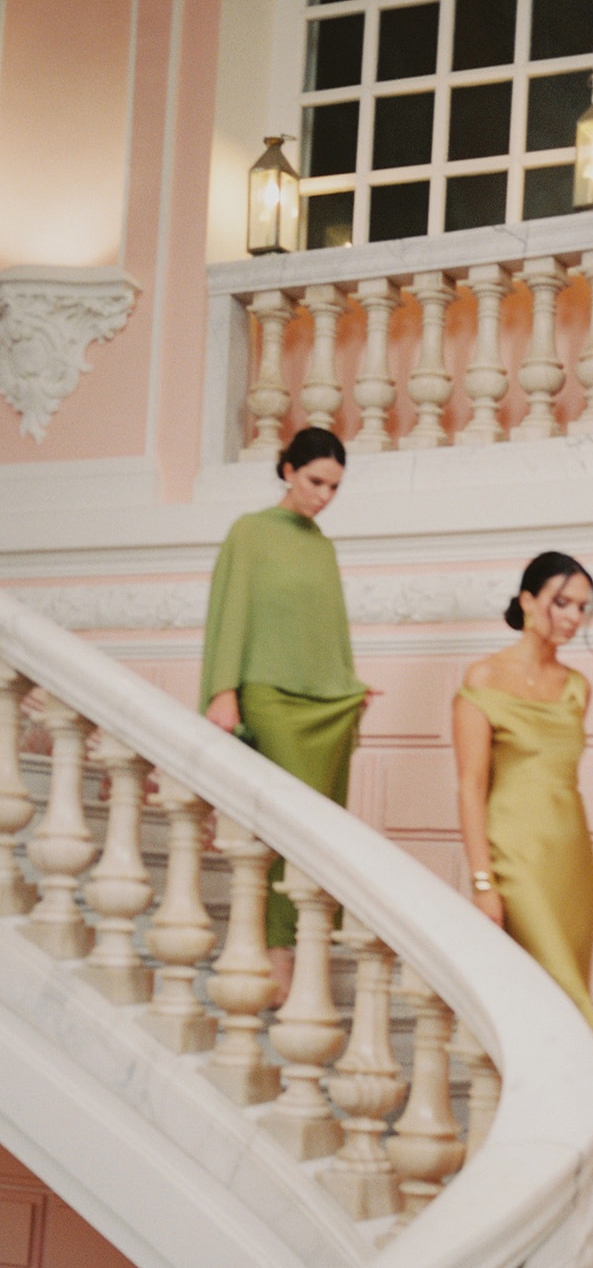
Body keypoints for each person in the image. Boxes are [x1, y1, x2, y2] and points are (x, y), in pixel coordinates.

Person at [200, 427, 368, 1005]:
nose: (324, 495)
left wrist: (349, 687)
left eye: (334, 487)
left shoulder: (322, 547)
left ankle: (295, 953)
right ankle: (275, 958)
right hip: (268, 696)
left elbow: (330, 629)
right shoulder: (249, 533)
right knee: (282, 829)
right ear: (288, 470)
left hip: (323, 705)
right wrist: (224, 689)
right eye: (316, 481)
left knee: (317, 834)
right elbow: (232, 608)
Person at [452, 551, 593, 1136]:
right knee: (564, 1008)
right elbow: (472, 787)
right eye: (562, 603)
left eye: (582, 607)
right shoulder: (483, 679)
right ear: (527, 602)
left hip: (571, 859)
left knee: (557, 998)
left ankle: (545, 1134)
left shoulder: (578, 687)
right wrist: (482, 882)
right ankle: (574, 1133)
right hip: (511, 856)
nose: (574, 617)